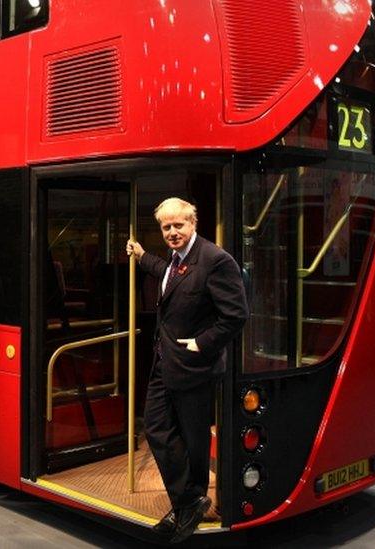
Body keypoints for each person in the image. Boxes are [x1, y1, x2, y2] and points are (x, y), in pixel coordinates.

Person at [126, 197, 248, 543]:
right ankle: (188, 501)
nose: (172, 232)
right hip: (165, 363)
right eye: (166, 227)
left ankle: (185, 505)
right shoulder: (175, 260)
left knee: (195, 441)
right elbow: (164, 273)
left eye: (178, 225)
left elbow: (236, 315)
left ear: (193, 223)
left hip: (195, 366)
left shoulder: (215, 260)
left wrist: (202, 343)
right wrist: (139, 254)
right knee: (156, 425)